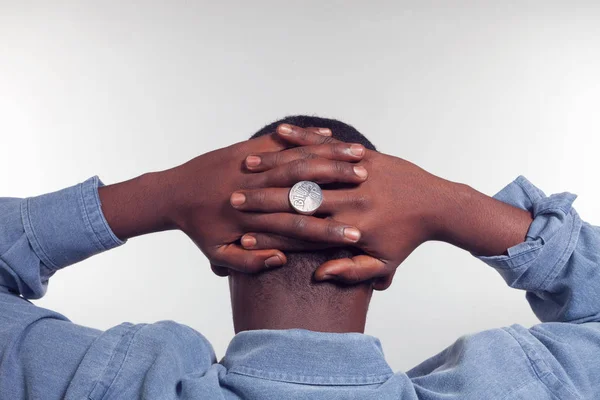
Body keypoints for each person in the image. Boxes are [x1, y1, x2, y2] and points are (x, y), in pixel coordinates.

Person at [0, 116, 598, 399]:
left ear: (224, 256)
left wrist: (162, 194)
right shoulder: (524, 387)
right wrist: (453, 205)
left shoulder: (106, 382)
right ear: (383, 268)